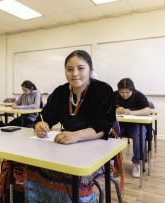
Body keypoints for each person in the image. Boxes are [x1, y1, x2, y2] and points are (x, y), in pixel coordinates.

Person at [24, 50, 116, 203]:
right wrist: (41, 125)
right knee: (33, 165)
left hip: (98, 148)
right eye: (69, 69)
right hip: (66, 147)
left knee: (72, 174)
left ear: (90, 71)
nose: (75, 73)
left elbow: (103, 126)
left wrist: (77, 135)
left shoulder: (103, 90)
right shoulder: (60, 92)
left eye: (81, 68)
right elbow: (46, 116)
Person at [114, 78, 150, 178]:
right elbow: (105, 109)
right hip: (120, 125)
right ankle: (113, 162)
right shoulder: (114, 95)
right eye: (122, 92)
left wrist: (131, 112)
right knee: (109, 133)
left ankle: (137, 163)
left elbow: (147, 111)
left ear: (132, 90)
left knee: (139, 135)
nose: (124, 95)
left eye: (127, 92)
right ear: (118, 90)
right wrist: (115, 110)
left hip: (135, 125)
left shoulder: (138, 95)